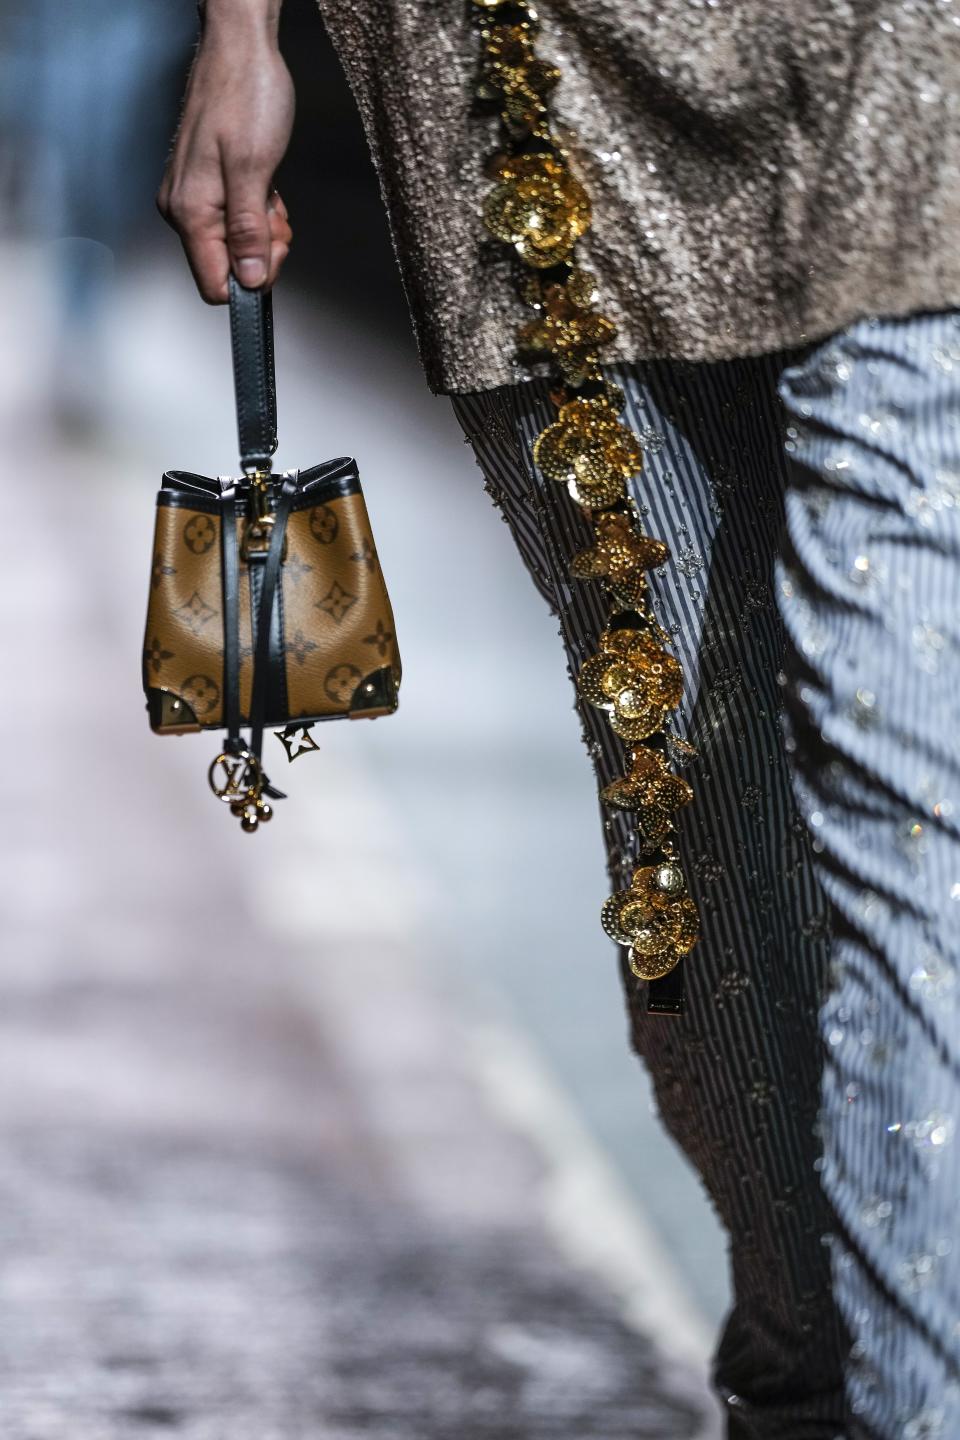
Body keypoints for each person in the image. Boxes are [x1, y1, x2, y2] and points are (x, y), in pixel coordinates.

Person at [158, 3, 960, 1436]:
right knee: (704, 845)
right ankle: (808, 1385)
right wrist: (239, 28)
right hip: (519, 88)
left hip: (896, 74)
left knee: (914, 807)